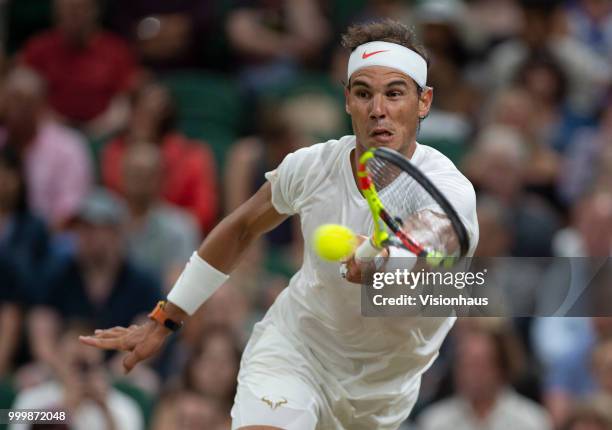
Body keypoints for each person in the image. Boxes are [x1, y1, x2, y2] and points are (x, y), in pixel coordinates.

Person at [81, 19, 479, 429]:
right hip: (296, 350)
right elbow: (241, 228)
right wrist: (165, 319)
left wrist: (385, 262)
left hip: (380, 401)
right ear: (347, 101)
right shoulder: (311, 167)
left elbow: (434, 238)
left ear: (424, 102)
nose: (377, 109)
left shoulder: (449, 189)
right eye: (363, 93)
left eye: (394, 94)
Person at [20, 0, 138, 137]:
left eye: (80, 9)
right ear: (57, 13)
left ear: (95, 11)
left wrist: (100, 129)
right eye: (68, 10)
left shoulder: (116, 50)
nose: (74, 16)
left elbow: (123, 100)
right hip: (49, 130)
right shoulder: (39, 49)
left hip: (104, 132)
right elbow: (26, 93)